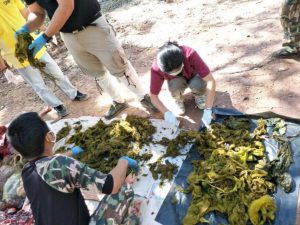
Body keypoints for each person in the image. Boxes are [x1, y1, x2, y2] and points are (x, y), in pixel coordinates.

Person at [18, 0, 157, 120]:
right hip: (68, 35)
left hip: (92, 25)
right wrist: (25, 28)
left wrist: (45, 36)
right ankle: (118, 100)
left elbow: (66, 6)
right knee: (96, 72)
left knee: (119, 66)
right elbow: (38, 14)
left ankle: (143, 97)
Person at [7, 112, 140, 225]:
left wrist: (72, 152)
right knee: (123, 190)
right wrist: (123, 162)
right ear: (49, 137)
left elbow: (48, 163)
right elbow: (110, 185)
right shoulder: (61, 164)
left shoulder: (27, 171)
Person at [0, 0, 88, 117]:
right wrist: (2, 65)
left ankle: (73, 93)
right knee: (38, 84)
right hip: (14, 54)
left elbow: (27, 14)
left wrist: (46, 30)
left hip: (32, 42)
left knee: (55, 72)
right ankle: (57, 105)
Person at [150, 42, 216, 128]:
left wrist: (208, 110)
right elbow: (153, 96)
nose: (175, 72)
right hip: (176, 82)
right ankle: (178, 99)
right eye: (171, 72)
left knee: (197, 84)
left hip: (194, 76)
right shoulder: (156, 68)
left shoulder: (189, 54)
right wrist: (167, 113)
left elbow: (211, 81)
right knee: (175, 86)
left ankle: (199, 95)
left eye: (177, 69)